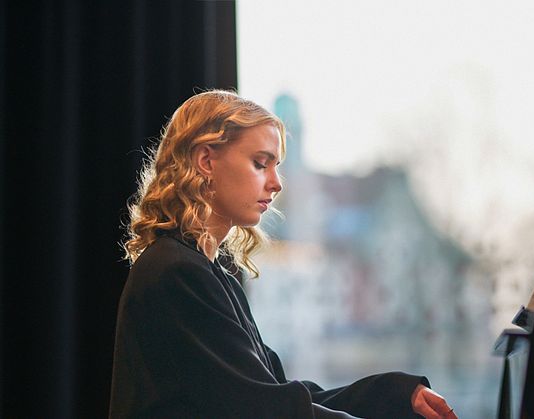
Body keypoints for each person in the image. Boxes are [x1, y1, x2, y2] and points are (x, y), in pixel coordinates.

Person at [109, 90, 458, 419]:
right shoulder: (175, 272)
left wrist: (396, 394)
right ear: (206, 161)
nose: (277, 183)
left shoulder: (209, 274)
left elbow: (276, 395)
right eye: (261, 164)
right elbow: (264, 409)